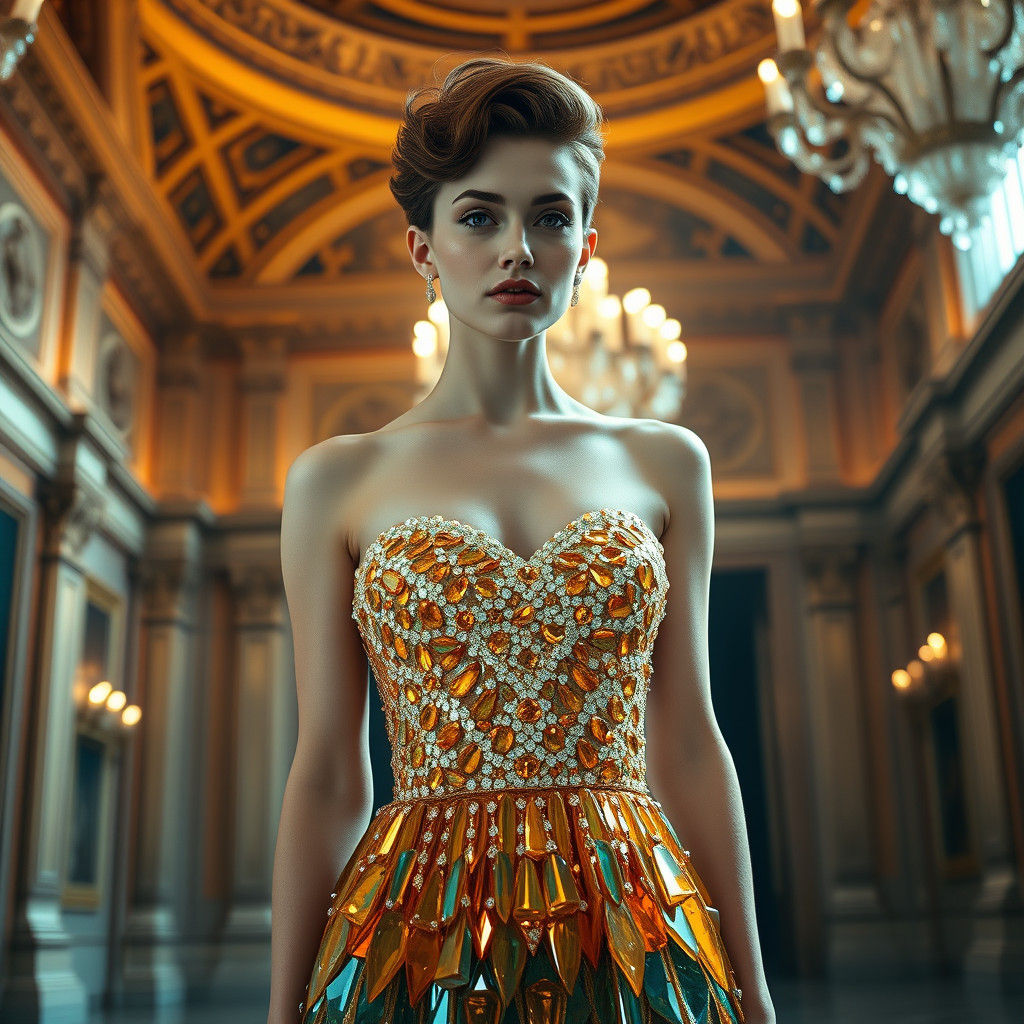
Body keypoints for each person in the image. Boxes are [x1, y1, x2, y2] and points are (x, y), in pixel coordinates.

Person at [269, 56, 775, 1024]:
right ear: (423, 249)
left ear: (587, 245)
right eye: (478, 217)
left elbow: (688, 738)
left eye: (549, 216)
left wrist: (753, 995)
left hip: (634, 928)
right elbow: (331, 765)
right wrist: (283, 1006)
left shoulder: (668, 461)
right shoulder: (336, 477)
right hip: (416, 935)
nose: (517, 249)